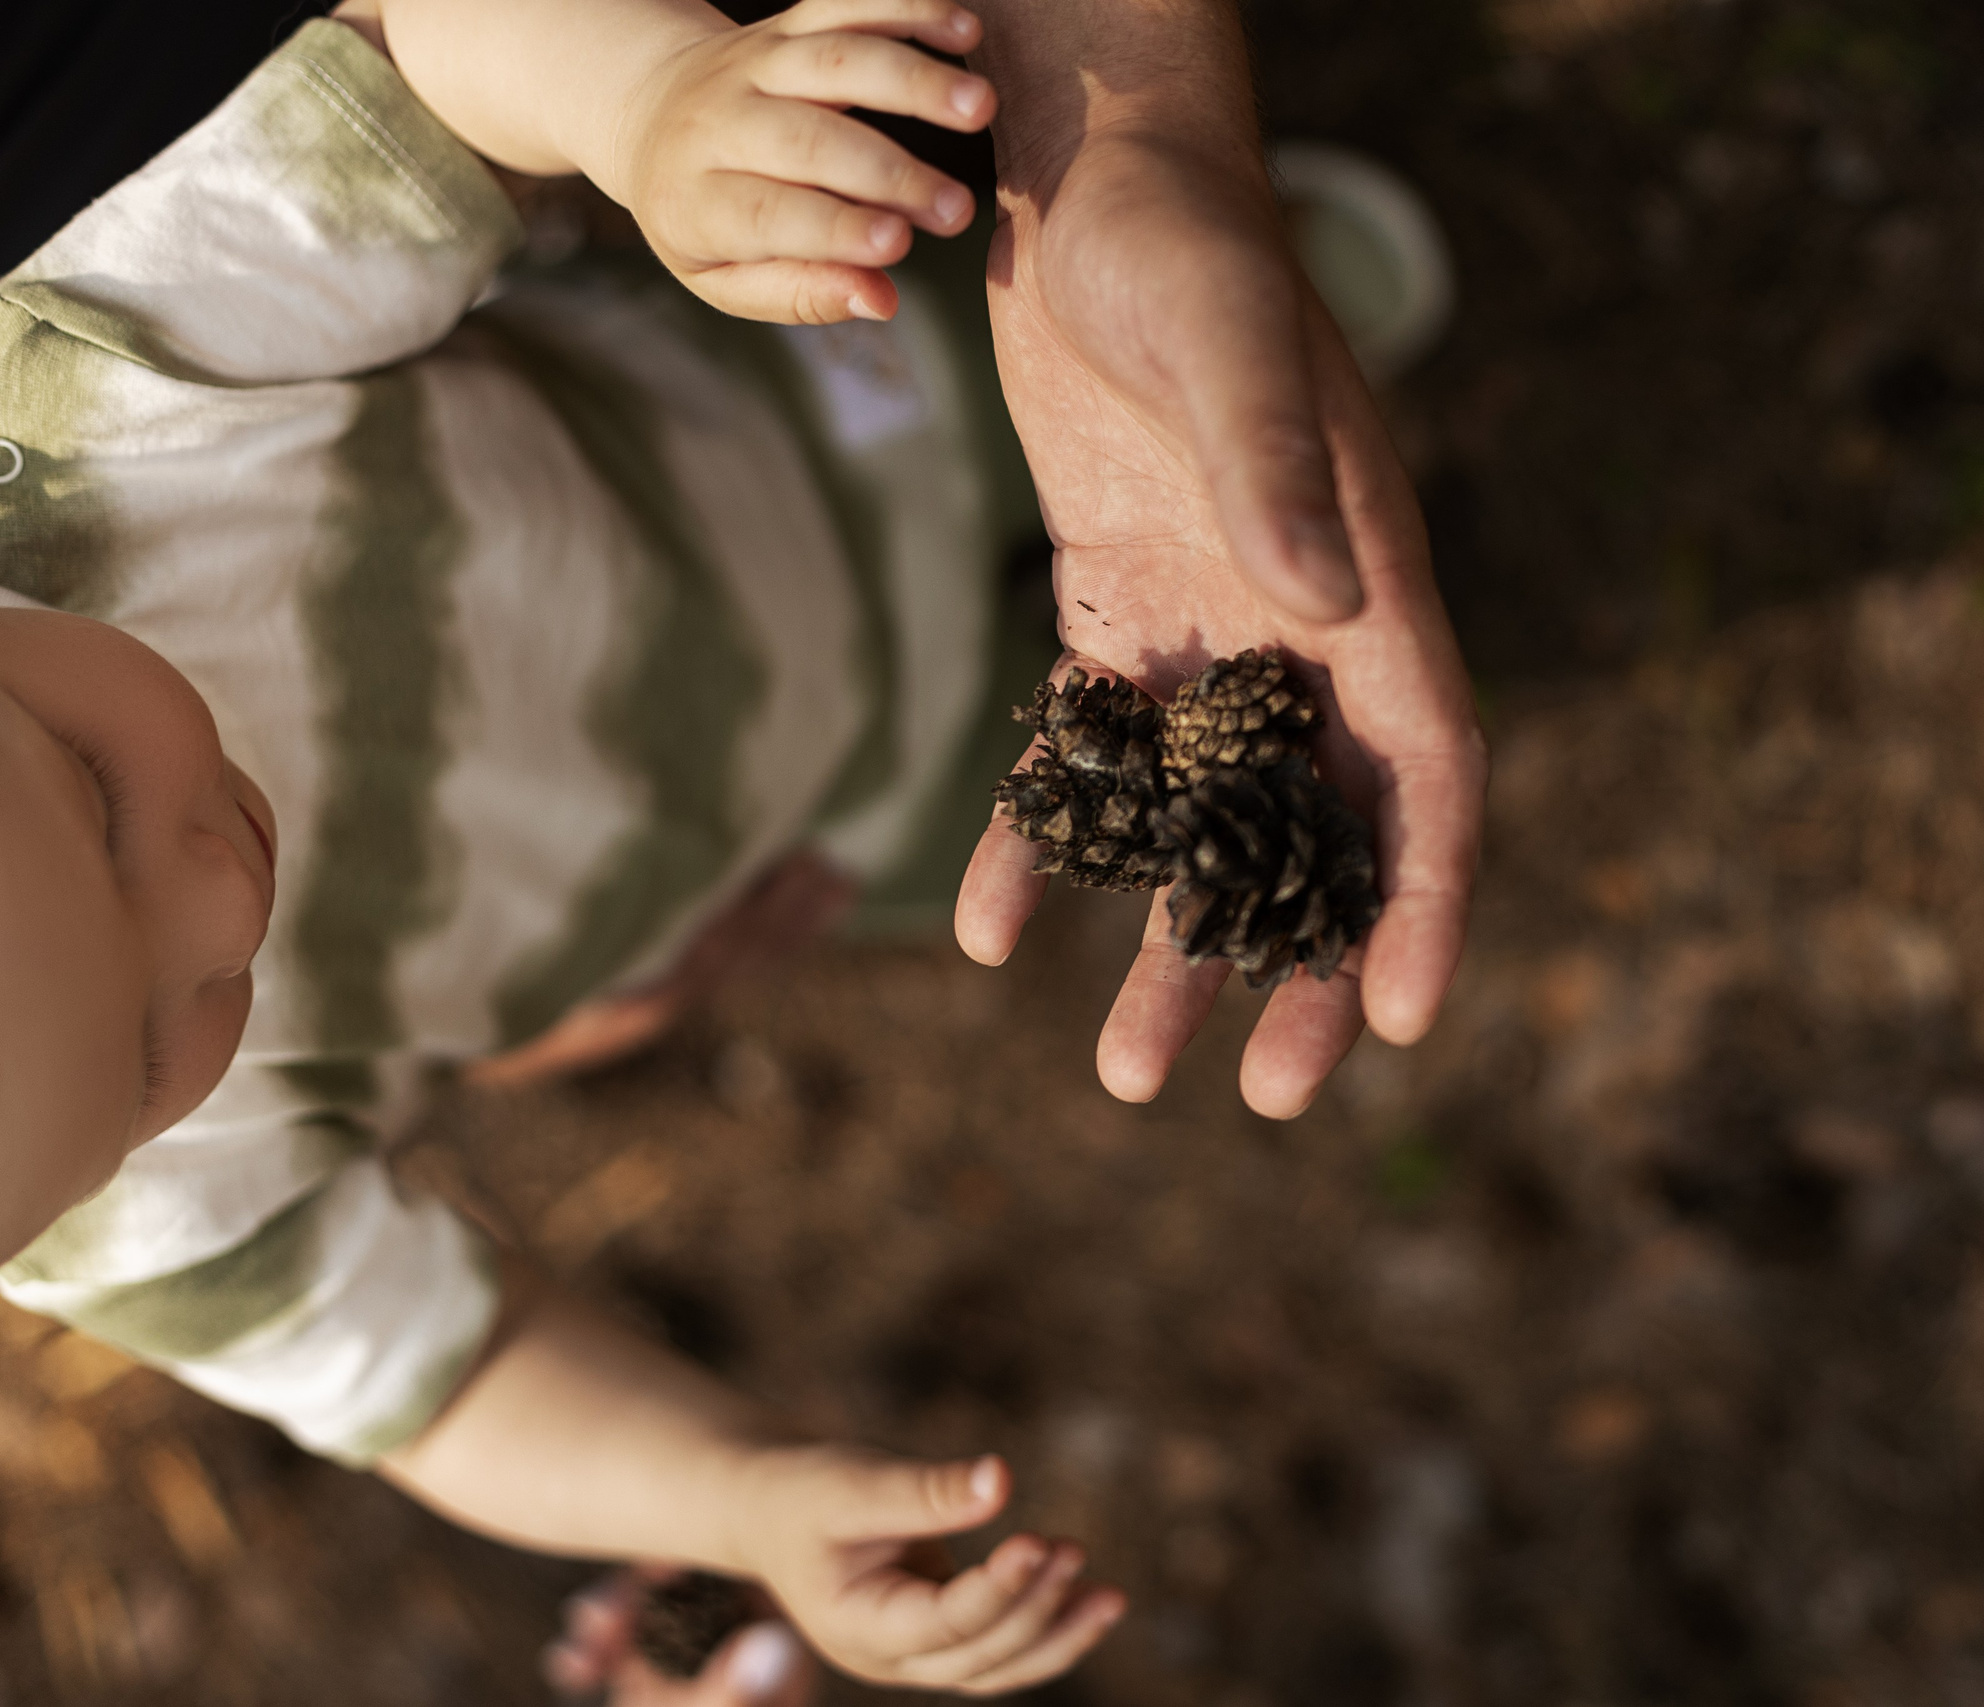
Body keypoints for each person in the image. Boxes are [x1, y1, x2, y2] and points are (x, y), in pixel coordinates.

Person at [0, 0, 1484, 1693]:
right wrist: (739, 1494)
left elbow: (402, 61)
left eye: (92, 799)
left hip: (796, 415)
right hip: (807, 812)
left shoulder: (91, 398)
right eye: (141, 1065)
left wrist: (644, 104)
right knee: (1081, 802)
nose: (224, 902)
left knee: (1061, 375)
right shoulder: (112, 1225)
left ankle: (1235, 320)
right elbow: (439, 1376)